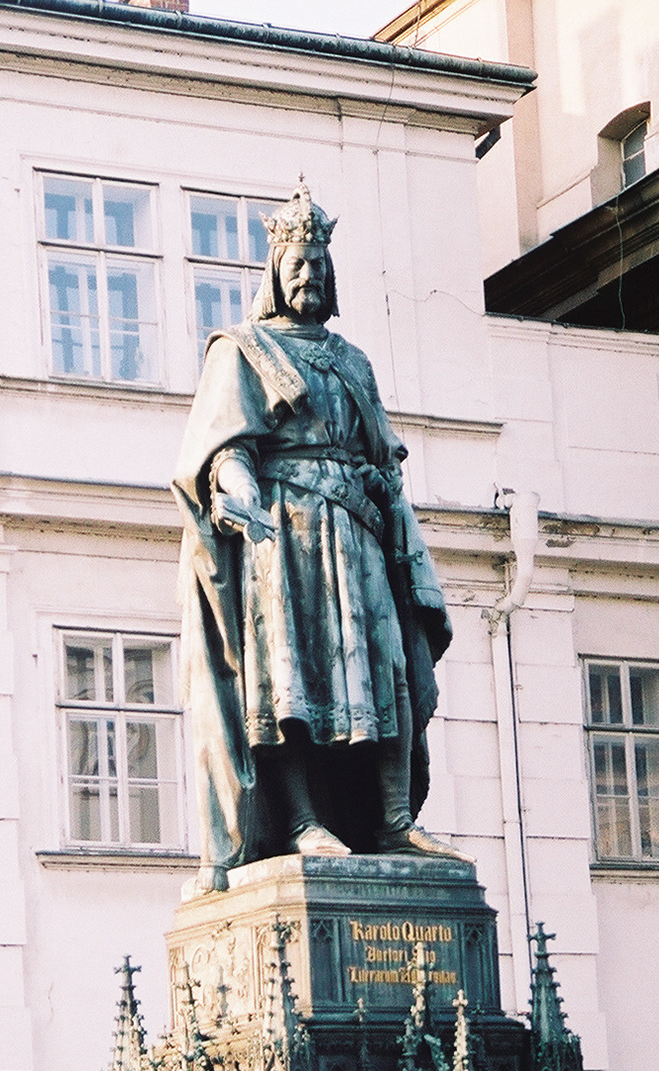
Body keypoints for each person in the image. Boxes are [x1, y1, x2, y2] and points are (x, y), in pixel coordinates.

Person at [173, 180, 465, 893]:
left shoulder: (353, 360)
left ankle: (393, 820)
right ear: (275, 274)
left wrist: (381, 485)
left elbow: (382, 454)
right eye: (298, 265)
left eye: (320, 267)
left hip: (359, 539)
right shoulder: (243, 350)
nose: (310, 276)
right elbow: (224, 447)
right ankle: (303, 821)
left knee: (387, 672)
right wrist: (235, 488)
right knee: (291, 681)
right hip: (286, 541)